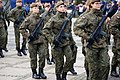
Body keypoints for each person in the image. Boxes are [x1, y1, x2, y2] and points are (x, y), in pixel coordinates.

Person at [74, 0, 110, 80]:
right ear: (91, 5)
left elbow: (105, 30)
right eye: (96, 3)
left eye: (99, 3)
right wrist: (87, 37)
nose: (99, 5)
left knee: (105, 65)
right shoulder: (87, 16)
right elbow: (76, 28)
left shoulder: (101, 16)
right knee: (93, 69)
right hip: (92, 46)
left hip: (102, 45)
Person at [43, 1, 74, 80]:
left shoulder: (67, 19)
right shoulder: (53, 19)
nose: (63, 8)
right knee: (59, 62)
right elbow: (45, 30)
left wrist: (71, 42)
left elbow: (69, 32)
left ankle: (64, 73)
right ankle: (58, 76)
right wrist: (52, 39)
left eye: (63, 6)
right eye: (61, 7)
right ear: (56, 8)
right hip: (57, 44)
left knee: (70, 58)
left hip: (66, 43)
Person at [19, 3, 47, 79]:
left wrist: (44, 35)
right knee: (33, 58)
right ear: (31, 9)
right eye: (34, 8)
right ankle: (34, 72)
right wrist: (28, 36)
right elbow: (22, 29)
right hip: (32, 42)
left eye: (37, 8)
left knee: (42, 56)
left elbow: (46, 28)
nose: (36, 9)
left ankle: (41, 71)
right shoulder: (28, 19)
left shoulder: (42, 18)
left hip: (41, 40)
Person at [109, 4, 120, 77]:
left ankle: (113, 69)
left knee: (116, 55)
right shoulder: (117, 16)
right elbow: (112, 29)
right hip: (118, 40)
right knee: (117, 54)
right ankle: (113, 69)